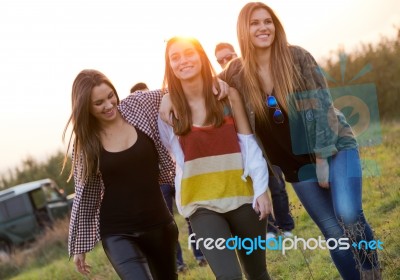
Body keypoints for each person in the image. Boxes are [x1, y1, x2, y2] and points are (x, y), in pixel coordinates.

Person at [219, 2, 380, 279]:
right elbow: (198, 87)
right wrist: (176, 95)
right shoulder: (236, 72)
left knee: (349, 214)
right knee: (333, 232)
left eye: (267, 21)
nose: (263, 28)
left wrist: (321, 158)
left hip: (334, 146)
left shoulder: (296, 57)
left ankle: (370, 270)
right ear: (243, 31)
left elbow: (322, 105)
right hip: (294, 166)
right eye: (254, 23)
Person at [158, 36, 272, 280]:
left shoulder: (227, 96)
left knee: (258, 273)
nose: (183, 61)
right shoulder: (168, 109)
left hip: (243, 197)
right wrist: (167, 96)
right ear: (170, 66)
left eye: (188, 53)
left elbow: (248, 143)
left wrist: (262, 189)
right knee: (229, 276)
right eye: (175, 57)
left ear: (201, 56)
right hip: (201, 204)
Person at [63, 69, 178, 279]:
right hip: (117, 232)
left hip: (159, 224)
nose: (108, 105)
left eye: (110, 96)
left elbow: (181, 87)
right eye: (98, 103)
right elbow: (84, 196)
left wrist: (169, 97)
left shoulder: (138, 106)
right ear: (85, 107)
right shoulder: (86, 143)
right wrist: (79, 244)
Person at [215, 42, 295, 239]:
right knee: (256, 189)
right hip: (246, 145)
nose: (226, 61)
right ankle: (269, 230)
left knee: (278, 187)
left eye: (229, 56)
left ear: (236, 52)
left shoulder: (248, 70)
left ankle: (286, 228)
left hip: (268, 142)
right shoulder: (220, 84)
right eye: (220, 60)